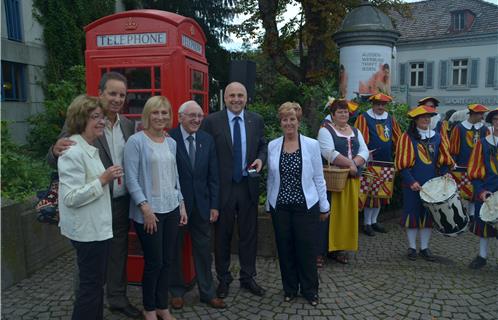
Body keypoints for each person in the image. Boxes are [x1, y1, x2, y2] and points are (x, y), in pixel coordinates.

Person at [47, 72, 139, 318]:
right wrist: (55, 151)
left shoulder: (127, 124)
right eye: (112, 93)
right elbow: (59, 157)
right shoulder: (85, 120)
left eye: (122, 94)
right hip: (93, 205)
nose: (117, 99)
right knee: (88, 263)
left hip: (120, 201)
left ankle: (117, 299)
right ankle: (85, 302)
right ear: (100, 93)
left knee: (118, 253)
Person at [58, 95, 123, 320]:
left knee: (95, 286)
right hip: (87, 232)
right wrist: (103, 179)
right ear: (80, 119)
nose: (101, 122)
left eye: (102, 117)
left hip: (98, 229)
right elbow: (70, 197)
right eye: (95, 117)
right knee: (89, 288)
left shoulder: (89, 146)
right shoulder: (73, 151)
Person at [201, 82, 267, 298]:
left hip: (247, 186)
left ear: (246, 98)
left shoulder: (255, 120)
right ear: (225, 98)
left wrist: (260, 159)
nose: (236, 99)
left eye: (240, 95)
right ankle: (224, 278)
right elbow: (206, 153)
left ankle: (248, 277)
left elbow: (262, 146)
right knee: (222, 235)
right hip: (223, 188)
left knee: (249, 235)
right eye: (232, 96)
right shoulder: (212, 121)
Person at [124, 96, 188, 320]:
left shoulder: (171, 142)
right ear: (147, 115)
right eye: (155, 112)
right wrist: (145, 207)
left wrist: (181, 205)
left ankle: (162, 306)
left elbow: (175, 176)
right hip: (148, 213)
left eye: (164, 113)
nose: (160, 117)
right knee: (154, 262)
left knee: (168, 261)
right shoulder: (136, 141)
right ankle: (149, 308)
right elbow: (131, 179)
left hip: (171, 208)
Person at [266, 102, 330, 306]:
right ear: (281, 122)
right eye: (284, 119)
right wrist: (269, 204)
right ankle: (290, 288)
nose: (288, 123)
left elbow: (319, 178)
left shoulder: (311, 144)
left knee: (306, 249)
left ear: (298, 121)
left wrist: (324, 205)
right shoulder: (273, 145)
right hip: (281, 206)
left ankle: (310, 290)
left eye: (292, 119)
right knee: (285, 249)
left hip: (306, 205)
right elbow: (271, 178)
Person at [168, 101, 226, 309]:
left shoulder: (206, 140)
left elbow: (214, 176)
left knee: (203, 251)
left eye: (200, 116)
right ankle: (176, 291)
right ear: (180, 116)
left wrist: (214, 205)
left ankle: (207, 292)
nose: (196, 120)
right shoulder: (169, 138)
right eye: (192, 116)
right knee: (174, 249)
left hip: (202, 206)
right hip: (176, 206)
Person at [395, 105, 454, 261]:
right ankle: (412, 248)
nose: (426, 120)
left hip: (432, 186)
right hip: (413, 186)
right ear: (415, 120)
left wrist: (445, 174)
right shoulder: (406, 137)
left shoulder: (437, 137)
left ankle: (425, 248)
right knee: (413, 216)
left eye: (428, 117)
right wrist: (411, 181)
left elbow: (444, 162)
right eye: (422, 118)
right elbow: (402, 165)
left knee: (428, 217)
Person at [317, 99, 369, 264]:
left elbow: (364, 150)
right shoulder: (325, 131)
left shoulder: (355, 130)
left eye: (345, 111)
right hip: (332, 180)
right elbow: (328, 152)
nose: (343, 114)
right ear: (332, 115)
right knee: (327, 215)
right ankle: (320, 252)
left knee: (345, 216)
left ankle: (338, 249)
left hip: (350, 181)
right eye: (339, 112)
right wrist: (350, 164)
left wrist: (355, 164)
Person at [355, 93, 401, 236]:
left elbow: (397, 137)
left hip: (386, 161)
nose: (380, 107)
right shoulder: (364, 118)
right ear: (372, 104)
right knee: (370, 194)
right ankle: (367, 223)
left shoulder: (390, 118)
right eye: (377, 104)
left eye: (383, 104)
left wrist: (398, 153)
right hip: (371, 162)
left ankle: (374, 221)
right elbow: (358, 138)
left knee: (382, 193)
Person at [466, 107, 498, 269]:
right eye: (496, 120)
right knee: (484, 224)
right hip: (487, 191)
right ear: (492, 122)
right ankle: (482, 256)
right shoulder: (482, 144)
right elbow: (475, 172)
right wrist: (481, 191)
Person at [449, 104, 490, 218]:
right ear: (473, 114)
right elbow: (454, 147)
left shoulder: (484, 129)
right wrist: (453, 163)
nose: (482, 116)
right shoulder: (459, 128)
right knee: (460, 190)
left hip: (478, 166)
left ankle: (472, 214)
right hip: (462, 166)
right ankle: (460, 214)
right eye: (480, 113)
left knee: (475, 189)